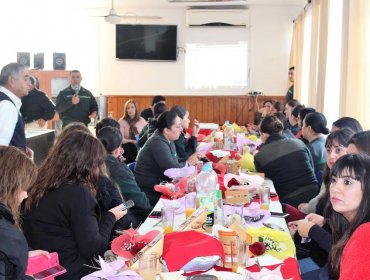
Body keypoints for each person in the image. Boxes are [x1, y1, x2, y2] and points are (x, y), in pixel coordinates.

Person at [22, 131, 127, 280]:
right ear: (87, 165)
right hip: (72, 272)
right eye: (96, 165)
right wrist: (111, 216)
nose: (98, 171)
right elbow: (93, 249)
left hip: (45, 270)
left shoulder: (38, 182)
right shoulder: (77, 193)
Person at [299, 154, 370, 279]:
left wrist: (313, 231)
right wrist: (325, 222)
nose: (335, 188)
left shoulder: (365, 233)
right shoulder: (346, 221)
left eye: (347, 182)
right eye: (334, 180)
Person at [0, 146, 50, 279]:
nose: (26, 195)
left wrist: (20, 254)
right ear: (10, 186)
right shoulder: (7, 235)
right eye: (24, 188)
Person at [254, 115, 318, 207]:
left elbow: (264, 181)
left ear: (263, 134)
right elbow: (311, 168)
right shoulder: (299, 143)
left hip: (288, 200)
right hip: (314, 194)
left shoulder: (260, 156)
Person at [97, 126, 152, 223]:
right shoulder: (117, 169)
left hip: (94, 220)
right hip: (117, 222)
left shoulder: (87, 163)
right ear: (118, 150)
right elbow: (139, 201)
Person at [134, 111, 187, 206]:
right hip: (150, 193)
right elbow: (172, 171)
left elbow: (175, 162)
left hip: (162, 186)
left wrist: (188, 163)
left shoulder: (168, 140)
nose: (181, 129)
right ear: (166, 130)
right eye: (178, 126)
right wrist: (188, 163)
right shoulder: (158, 142)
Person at [0, 63, 29, 150]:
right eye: (25, 79)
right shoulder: (7, 106)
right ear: (11, 81)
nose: (29, 83)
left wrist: (21, 149)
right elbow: (2, 149)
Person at [301, 112, 330, 179]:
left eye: (303, 125)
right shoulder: (326, 142)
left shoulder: (312, 148)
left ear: (309, 129)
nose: (301, 128)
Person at [118, 99, 147, 163]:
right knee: (128, 146)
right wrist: (132, 141)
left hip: (140, 147)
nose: (130, 110)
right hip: (126, 149)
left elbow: (147, 135)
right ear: (126, 110)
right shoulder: (122, 121)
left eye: (132, 107)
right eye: (128, 108)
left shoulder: (142, 120)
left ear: (136, 108)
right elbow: (120, 139)